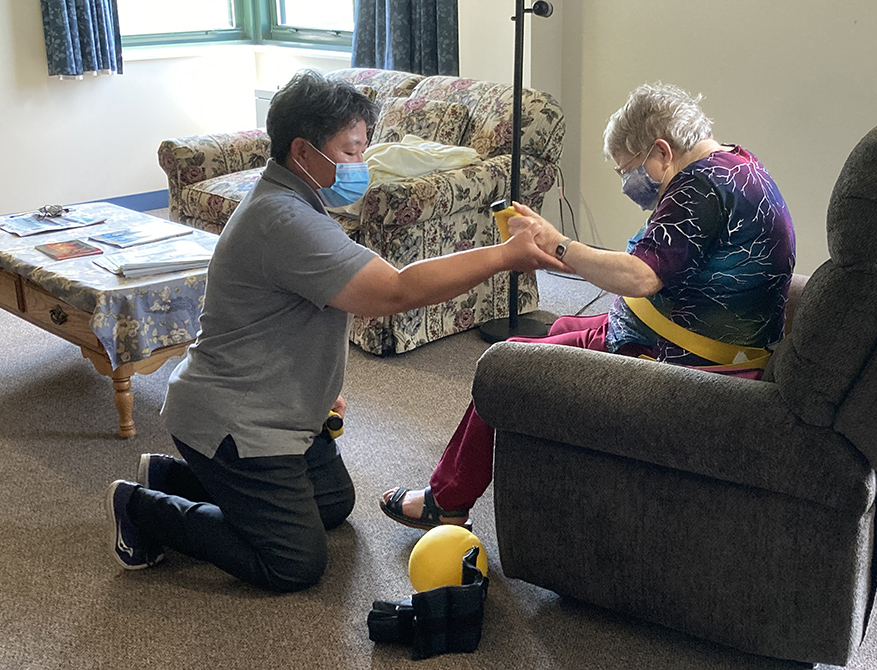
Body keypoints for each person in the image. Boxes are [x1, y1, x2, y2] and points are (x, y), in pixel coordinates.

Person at [103, 69, 562, 592]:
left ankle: (174, 476)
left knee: (332, 504)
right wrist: (504, 255)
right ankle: (142, 506)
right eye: (349, 152)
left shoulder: (296, 200)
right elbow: (395, 292)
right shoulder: (283, 220)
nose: (360, 166)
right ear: (302, 150)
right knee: (295, 563)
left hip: (280, 407)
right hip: (234, 416)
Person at [380, 81, 796, 530]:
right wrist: (558, 244)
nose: (627, 185)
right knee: (558, 331)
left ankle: (448, 500)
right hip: (700, 339)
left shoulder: (697, 186)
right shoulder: (735, 163)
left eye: (629, 170)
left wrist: (560, 246)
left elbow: (640, 275)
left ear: (661, 151)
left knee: (503, 364)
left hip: (688, 363)